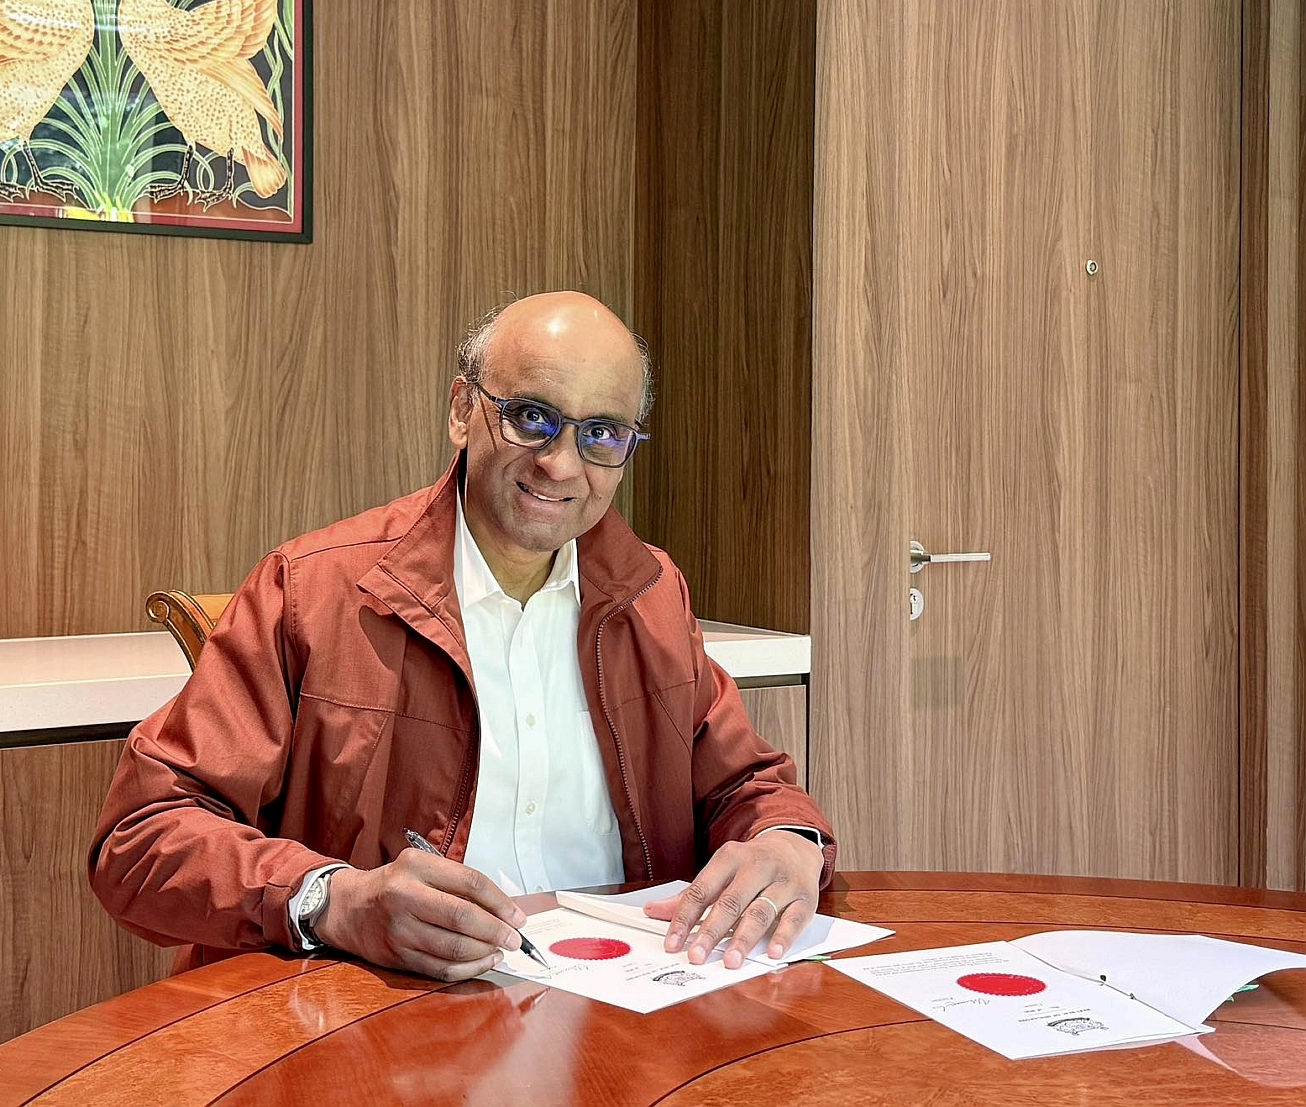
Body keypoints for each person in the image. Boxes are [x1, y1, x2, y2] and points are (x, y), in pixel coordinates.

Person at [90, 291, 835, 981]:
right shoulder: (310, 591)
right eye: (532, 417)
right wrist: (335, 901)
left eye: (601, 433)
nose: (560, 463)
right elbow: (143, 836)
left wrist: (787, 843)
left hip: (627, 1011)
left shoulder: (651, 594)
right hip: (378, 1020)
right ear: (461, 410)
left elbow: (748, 786)